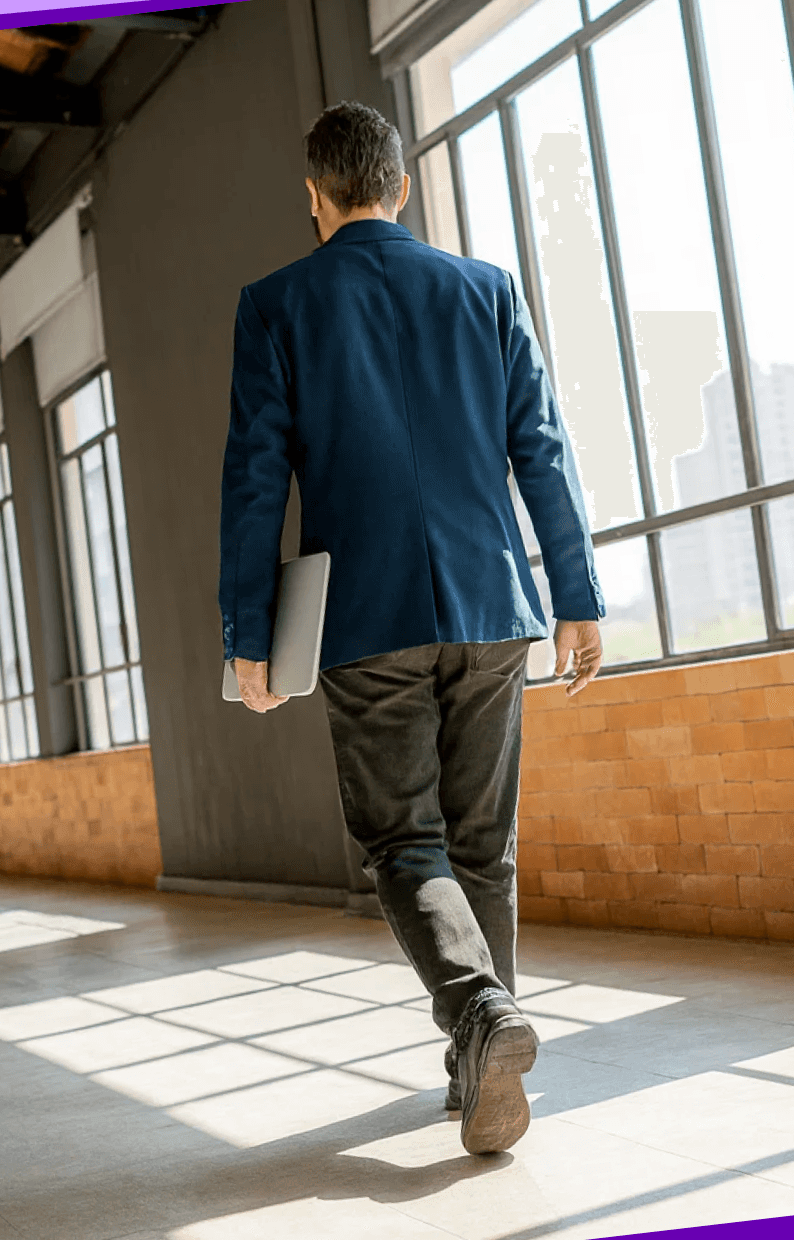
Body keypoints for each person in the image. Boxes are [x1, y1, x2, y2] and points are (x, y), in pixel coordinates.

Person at [217, 101, 606, 1156]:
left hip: (369, 617)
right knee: (483, 843)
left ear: (315, 197)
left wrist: (247, 630)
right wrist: (575, 595)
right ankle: (478, 1060)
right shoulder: (485, 290)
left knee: (404, 841)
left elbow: (256, 477)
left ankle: (479, 1018)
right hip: (491, 608)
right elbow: (541, 448)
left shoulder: (277, 304)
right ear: (402, 183)